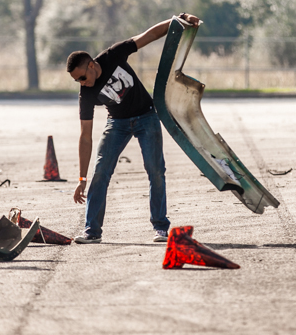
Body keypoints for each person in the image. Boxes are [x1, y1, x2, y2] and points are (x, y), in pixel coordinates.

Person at [67, 13, 200, 244]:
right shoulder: (86, 93)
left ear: (91, 65)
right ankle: (92, 231)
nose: (81, 83)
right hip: (116, 124)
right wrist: (81, 177)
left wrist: (179, 20)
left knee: (155, 170)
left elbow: (150, 35)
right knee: (100, 173)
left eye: (81, 77)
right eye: (77, 80)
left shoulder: (112, 55)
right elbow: (85, 136)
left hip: (146, 116)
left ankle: (160, 227)